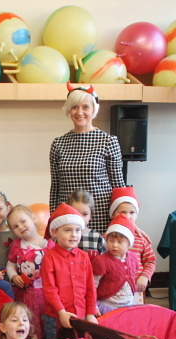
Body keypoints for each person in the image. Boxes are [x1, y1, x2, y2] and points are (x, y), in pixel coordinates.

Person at [49, 82, 125, 233]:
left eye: (85, 107)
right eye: (74, 107)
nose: (80, 112)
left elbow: (119, 186)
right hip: (69, 221)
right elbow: (55, 188)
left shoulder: (108, 141)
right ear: (69, 109)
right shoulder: (58, 144)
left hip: (100, 219)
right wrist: (53, 221)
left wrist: (125, 220)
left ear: (94, 109)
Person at [40, 203, 99, 339]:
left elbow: (90, 286)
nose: (74, 235)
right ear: (55, 232)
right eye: (68, 230)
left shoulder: (83, 256)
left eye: (77, 230)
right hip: (55, 316)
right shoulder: (49, 257)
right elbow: (50, 289)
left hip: (80, 315)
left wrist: (90, 313)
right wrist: (61, 311)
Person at [5, 204, 55, 339]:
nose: (21, 227)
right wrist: (14, 276)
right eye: (15, 226)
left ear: (33, 218)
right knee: (29, 322)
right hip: (24, 293)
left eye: (23, 221)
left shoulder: (48, 244)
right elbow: (10, 265)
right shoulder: (17, 245)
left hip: (45, 294)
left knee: (45, 323)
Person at [109, 186, 156, 294]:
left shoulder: (142, 239)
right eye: (123, 212)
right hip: (113, 292)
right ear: (113, 214)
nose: (128, 216)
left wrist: (144, 277)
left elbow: (150, 261)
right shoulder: (107, 238)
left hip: (136, 289)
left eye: (132, 212)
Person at [93, 214, 140, 314]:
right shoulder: (101, 261)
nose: (114, 245)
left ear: (129, 243)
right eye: (111, 241)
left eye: (120, 242)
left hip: (128, 304)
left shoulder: (133, 258)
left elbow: (133, 277)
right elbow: (93, 284)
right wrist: (93, 305)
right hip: (108, 305)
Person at [67, 189, 106, 259]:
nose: (80, 218)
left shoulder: (97, 238)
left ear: (91, 215)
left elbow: (105, 260)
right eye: (76, 213)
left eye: (85, 214)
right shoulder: (63, 236)